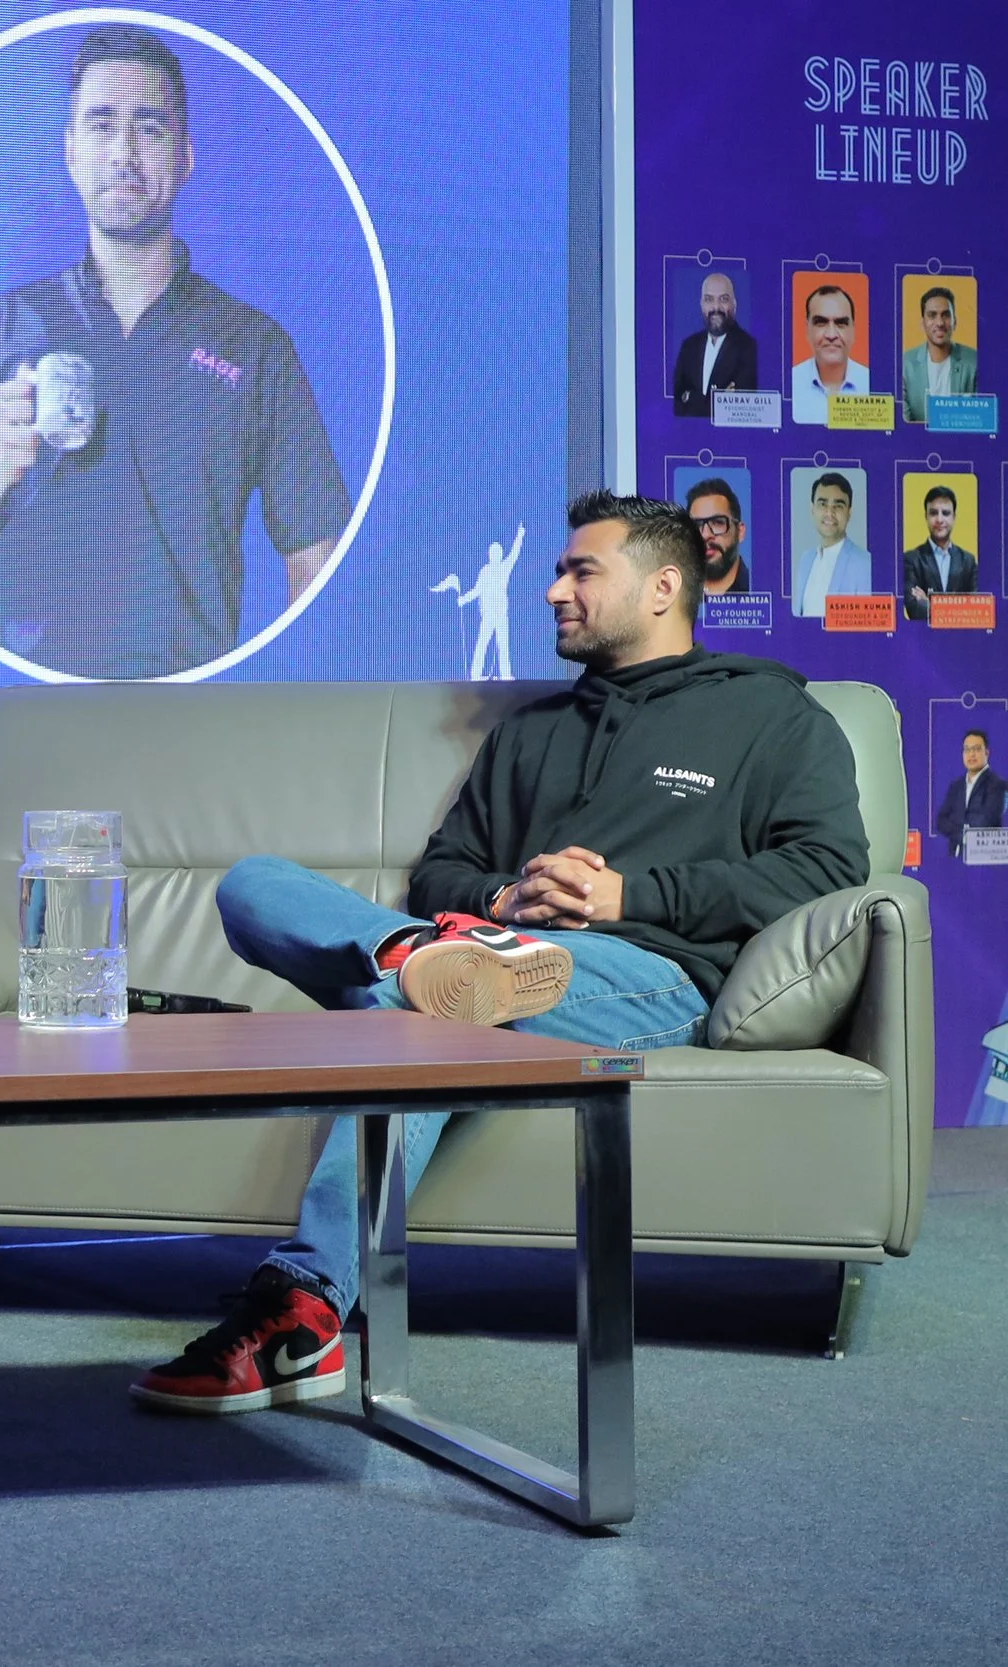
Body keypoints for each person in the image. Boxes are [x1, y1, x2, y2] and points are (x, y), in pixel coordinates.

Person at [131, 491, 867, 1415]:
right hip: (486, 949)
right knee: (252, 884)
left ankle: (302, 1308)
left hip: (647, 972)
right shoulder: (533, 732)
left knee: (411, 1014)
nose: (554, 589)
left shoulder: (773, 718)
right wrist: (497, 900)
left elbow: (829, 868)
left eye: (580, 570)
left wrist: (627, 895)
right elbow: (444, 870)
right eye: (558, 570)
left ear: (663, 587)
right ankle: (423, 962)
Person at [0, 24, 350, 680]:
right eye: (101, 123)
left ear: (186, 154)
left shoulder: (253, 346)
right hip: (26, 715)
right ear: (70, 149)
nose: (124, 152)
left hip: (182, 722)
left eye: (149, 127)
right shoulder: (6, 325)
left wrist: (290, 711)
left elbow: (314, 555)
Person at [671, 273, 760, 415]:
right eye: (709, 299)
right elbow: (676, 400)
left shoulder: (750, 348)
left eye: (723, 299)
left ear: (734, 304)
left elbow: (738, 410)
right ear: (701, 304)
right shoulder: (689, 346)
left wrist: (691, 398)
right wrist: (718, 401)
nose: (716, 307)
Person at [792, 472, 872, 618]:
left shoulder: (865, 564)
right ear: (812, 509)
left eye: (838, 506)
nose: (830, 512)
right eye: (823, 504)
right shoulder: (805, 560)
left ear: (849, 512)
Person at [790, 284, 869, 424]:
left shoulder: (870, 382)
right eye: (821, 323)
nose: (831, 335)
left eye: (841, 323)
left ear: (853, 330)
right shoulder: (790, 382)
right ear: (807, 329)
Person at [900, 287, 979, 423]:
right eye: (932, 315)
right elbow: (905, 423)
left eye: (946, 315)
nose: (940, 323)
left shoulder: (975, 362)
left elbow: (980, 418)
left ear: (955, 322)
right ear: (922, 323)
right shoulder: (905, 365)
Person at [902, 484, 979, 620]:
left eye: (945, 513)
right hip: (923, 638)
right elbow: (914, 609)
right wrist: (957, 609)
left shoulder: (968, 561)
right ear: (926, 516)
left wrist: (930, 604)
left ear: (954, 517)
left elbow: (974, 610)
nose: (939, 519)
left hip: (963, 639)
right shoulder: (911, 559)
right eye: (933, 513)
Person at [935, 729, 1004, 858]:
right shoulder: (956, 786)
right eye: (967, 749)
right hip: (955, 856)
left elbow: (986, 821)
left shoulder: (997, 784)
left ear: (987, 753)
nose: (971, 754)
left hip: (984, 859)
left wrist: (958, 829)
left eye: (977, 749)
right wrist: (962, 832)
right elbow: (941, 820)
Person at [683, 476, 752, 593]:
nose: (705, 535)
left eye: (717, 522)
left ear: (740, 532)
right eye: (696, 525)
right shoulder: (677, 595)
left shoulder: (758, 589)